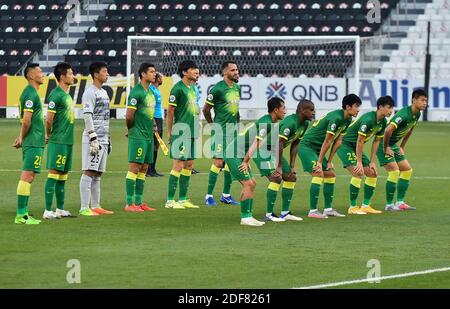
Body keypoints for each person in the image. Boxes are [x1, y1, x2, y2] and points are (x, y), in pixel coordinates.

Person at [224, 97, 286, 226]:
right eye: (283, 108)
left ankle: (248, 216)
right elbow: (256, 143)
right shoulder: (267, 123)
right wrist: (246, 161)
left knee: (252, 182)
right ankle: (245, 218)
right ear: (275, 110)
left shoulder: (269, 121)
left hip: (239, 153)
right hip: (234, 153)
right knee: (248, 184)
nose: (285, 111)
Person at [298, 94, 361, 219]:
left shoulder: (347, 120)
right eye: (356, 106)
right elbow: (327, 141)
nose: (358, 109)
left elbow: (338, 141)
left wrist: (330, 161)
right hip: (307, 147)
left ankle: (328, 209)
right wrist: (320, 162)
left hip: (317, 149)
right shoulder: (336, 118)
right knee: (318, 172)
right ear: (348, 107)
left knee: (331, 174)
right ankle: (313, 211)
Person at [258, 99, 315, 222]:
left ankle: (285, 213)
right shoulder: (291, 123)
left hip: (275, 151)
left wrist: (292, 167)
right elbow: (279, 143)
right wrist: (278, 167)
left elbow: (295, 145)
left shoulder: (305, 124)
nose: (313, 113)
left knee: (291, 177)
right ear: (302, 111)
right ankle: (269, 215)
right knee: (276, 177)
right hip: (264, 150)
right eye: (311, 110)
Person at [337, 96, 394, 215]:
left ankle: (365, 205)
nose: (391, 111)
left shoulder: (383, 122)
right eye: (389, 107)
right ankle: (352, 207)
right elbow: (359, 141)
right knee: (358, 172)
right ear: (380, 107)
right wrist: (359, 161)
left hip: (356, 147)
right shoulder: (368, 119)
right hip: (345, 145)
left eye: (392, 108)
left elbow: (377, 141)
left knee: (372, 173)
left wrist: (372, 162)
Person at [377, 89, 428, 211]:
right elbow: (388, 130)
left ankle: (400, 203)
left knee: (407, 170)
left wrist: (401, 147)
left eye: (426, 100)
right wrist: (386, 148)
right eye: (422, 100)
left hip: (393, 145)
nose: (425, 103)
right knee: (394, 172)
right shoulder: (403, 114)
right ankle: (389, 205)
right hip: (383, 144)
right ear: (414, 100)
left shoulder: (417, 114)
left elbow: (409, 130)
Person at [203, 61, 240, 206]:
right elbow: (206, 109)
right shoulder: (217, 89)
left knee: (230, 163)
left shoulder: (237, 88)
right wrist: (212, 124)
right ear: (225, 73)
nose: (236, 72)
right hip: (221, 131)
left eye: (237, 69)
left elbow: (236, 109)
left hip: (233, 131)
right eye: (233, 70)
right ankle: (208, 196)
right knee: (218, 162)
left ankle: (226, 195)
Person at [79, 62, 114, 216]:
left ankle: (96, 205)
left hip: (104, 138)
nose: (107, 74)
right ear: (95, 74)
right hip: (93, 138)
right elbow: (87, 115)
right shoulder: (89, 92)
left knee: (98, 173)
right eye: (104, 71)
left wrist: (108, 138)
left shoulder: (104, 93)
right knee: (89, 171)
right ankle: (84, 207)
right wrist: (93, 136)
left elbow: (105, 117)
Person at [164, 60, 201, 209]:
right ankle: (170, 201)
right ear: (184, 72)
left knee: (189, 164)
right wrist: (170, 131)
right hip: (180, 131)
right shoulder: (177, 89)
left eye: (196, 69)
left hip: (192, 131)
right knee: (178, 164)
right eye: (193, 69)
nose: (196, 71)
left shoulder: (193, 88)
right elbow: (170, 111)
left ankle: (183, 199)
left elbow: (195, 108)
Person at [12, 63, 45, 224]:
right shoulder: (31, 94)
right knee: (27, 176)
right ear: (31, 76)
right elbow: (26, 121)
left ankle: (23, 213)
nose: (43, 74)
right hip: (32, 141)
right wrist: (22, 137)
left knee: (29, 176)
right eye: (39, 71)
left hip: (35, 140)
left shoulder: (31, 93)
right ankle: (21, 215)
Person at [43, 62, 77, 219]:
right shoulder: (55, 95)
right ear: (62, 77)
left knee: (63, 174)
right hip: (58, 140)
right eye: (70, 73)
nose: (73, 76)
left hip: (68, 140)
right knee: (53, 173)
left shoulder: (67, 95)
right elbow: (49, 119)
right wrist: (48, 134)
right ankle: (48, 210)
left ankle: (60, 209)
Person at [124, 63, 158, 212]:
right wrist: (131, 129)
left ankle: (139, 202)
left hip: (148, 135)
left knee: (144, 168)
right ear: (143, 74)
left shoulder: (150, 92)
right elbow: (129, 116)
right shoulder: (136, 92)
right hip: (138, 135)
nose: (154, 74)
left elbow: (150, 113)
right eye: (151, 72)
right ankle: (129, 203)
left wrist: (154, 124)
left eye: (154, 72)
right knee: (134, 167)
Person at [147, 72, 164, 177]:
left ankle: (152, 169)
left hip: (159, 118)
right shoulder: (151, 90)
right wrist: (153, 121)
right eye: (160, 77)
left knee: (156, 145)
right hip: (154, 118)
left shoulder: (156, 89)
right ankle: (148, 170)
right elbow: (150, 107)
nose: (162, 79)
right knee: (153, 144)